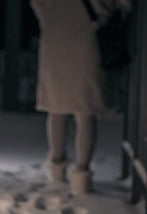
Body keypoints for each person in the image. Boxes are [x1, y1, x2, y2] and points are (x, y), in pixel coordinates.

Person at [30, 0, 132, 194]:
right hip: (87, 42)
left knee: (56, 108)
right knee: (85, 111)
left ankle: (57, 168)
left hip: (55, 42)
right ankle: (82, 174)